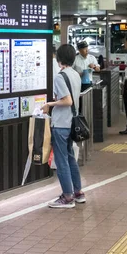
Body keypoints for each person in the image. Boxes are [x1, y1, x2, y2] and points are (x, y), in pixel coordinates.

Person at [41, 44, 85, 208]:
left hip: (60, 124)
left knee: (61, 161)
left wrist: (49, 104)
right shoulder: (75, 74)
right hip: (71, 123)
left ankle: (67, 197)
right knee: (70, 158)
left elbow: (67, 100)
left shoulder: (60, 76)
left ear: (59, 59)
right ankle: (78, 192)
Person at [73, 41, 100, 113]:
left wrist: (94, 67)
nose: (86, 50)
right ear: (79, 50)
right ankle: (79, 115)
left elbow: (98, 69)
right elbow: (71, 71)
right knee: (79, 101)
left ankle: (88, 115)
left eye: (87, 48)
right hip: (78, 83)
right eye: (84, 49)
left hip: (88, 83)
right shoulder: (75, 59)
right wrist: (77, 74)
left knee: (89, 101)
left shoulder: (92, 58)